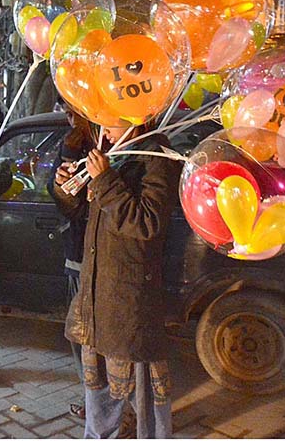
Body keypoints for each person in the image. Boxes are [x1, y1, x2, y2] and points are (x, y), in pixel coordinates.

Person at [55, 123, 181, 439]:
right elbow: (77, 210)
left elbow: (147, 223)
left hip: (130, 300)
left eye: (113, 123)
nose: (105, 130)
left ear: (137, 117)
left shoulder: (155, 156)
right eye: (102, 122)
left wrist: (106, 180)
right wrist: (64, 186)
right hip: (97, 293)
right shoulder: (112, 152)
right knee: (97, 383)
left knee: (144, 393)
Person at [49, 99, 95, 419]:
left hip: (98, 255)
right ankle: (95, 402)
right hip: (76, 253)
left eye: (73, 108)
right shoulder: (70, 144)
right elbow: (62, 199)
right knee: (79, 337)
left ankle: (107, 407)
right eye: (65, 108)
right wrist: (61, 184)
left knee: (91, 339)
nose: (68, 115)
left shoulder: (110, 144)